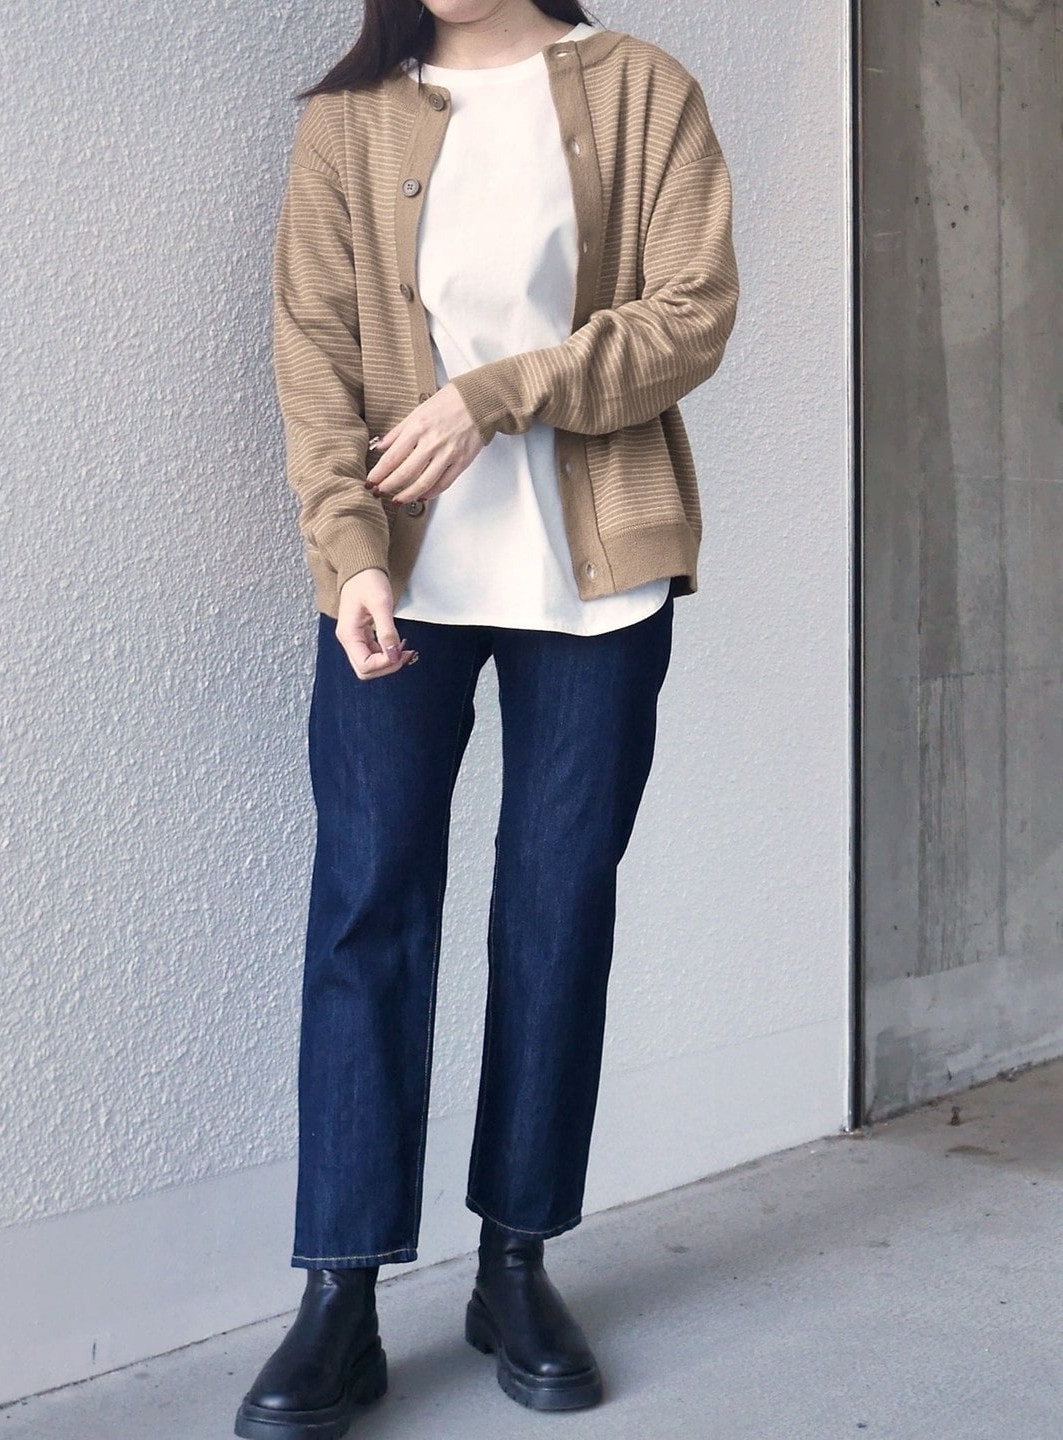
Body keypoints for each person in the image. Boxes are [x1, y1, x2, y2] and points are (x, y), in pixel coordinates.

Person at [234, 1, 738, 1434]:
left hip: (599, 582)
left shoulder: (643, 89)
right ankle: (340, 1297)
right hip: (399, 583)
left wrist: (497, 396)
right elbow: (313, 353)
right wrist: (349, 553)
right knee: (367, 904)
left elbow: (690, 315)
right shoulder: (347, 121)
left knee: (558, 910)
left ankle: (515, 1264)